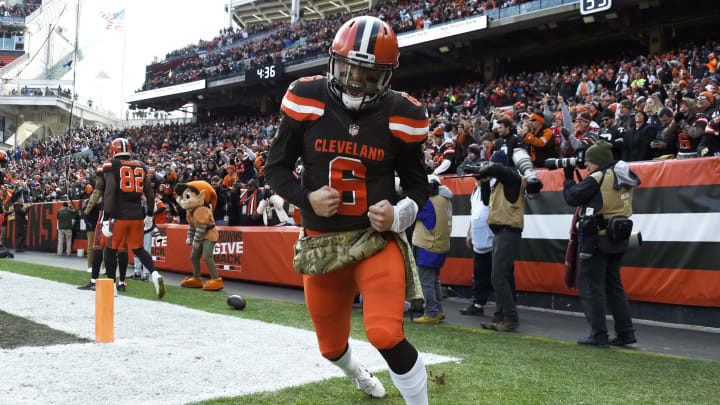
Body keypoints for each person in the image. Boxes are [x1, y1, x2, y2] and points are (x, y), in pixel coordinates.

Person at [265, 16, 430, 404]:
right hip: (322, 243)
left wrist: (398, 214)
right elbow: (275, 169)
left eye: (369, 76)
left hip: (375, 240)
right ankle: (358, 373)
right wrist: (306, 199)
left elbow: (419, 186)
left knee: (385, 333)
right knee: (330, 346)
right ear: (333, 62)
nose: (356, 81)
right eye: (348, 69)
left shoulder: (402, 113)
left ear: (387, 76)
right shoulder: (306, 97)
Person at [562, 140, 639, 348]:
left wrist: (568, 178)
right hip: (617, 238)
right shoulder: (624, 173)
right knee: (614, 287)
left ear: (598, 161)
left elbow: (571, 197)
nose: (586, 165)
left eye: (589, 162)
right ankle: (625, 332)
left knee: (591, 287)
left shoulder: (598, 177)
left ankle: (598, 334)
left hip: (596, 239)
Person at [101, 138, 165, 298]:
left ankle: (111, 284)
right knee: (138, 249)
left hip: (119, 215)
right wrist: (150, 214)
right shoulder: (141, 166)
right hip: (137, 214)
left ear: (113, 150)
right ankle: (155, 274)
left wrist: (105, 216)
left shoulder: (111, 164)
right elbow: (150, 194)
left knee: (111, 250)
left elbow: (109, 192)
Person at [472, 150, 524, 332]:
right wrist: (484, 181)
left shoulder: (512, 178)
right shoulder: (499, 183)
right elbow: (486, 201)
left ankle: (511, 317)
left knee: (498, 277)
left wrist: (488, 170)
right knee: (501, 276)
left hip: (508, 231)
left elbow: (500, 170)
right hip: (500, 232)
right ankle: (501, 316)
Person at [412, 175, 452, 324]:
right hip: (440, 245)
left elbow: (413, 213)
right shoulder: (445, 199)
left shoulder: (429, 202)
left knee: (426, 282)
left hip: (428, 246)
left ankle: (431, 312)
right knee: (434, 280)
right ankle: (438, 310)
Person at [461, 175, 494, 316]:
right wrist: (469, 233)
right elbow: (473, 213)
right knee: (479, 275)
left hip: (492, 238)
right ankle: (477, 304)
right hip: (478, 239)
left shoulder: (494, 188)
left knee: (499, 276)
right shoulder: (474, 191)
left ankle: (505, 307)